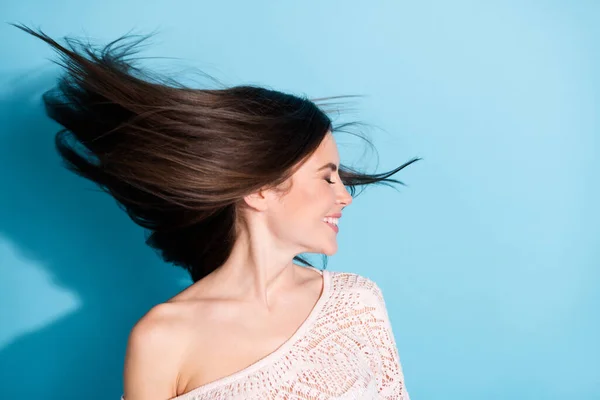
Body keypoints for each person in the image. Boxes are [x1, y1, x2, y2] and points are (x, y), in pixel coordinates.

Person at [14, 23, 419, 400]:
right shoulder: (163, 337)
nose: (345, 196)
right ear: (260, 190)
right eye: (327, 177)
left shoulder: (356, 303)